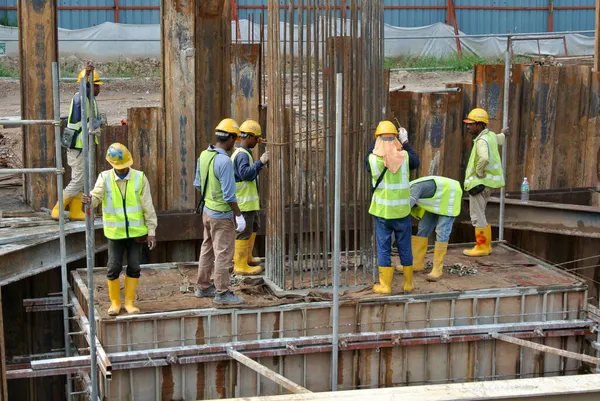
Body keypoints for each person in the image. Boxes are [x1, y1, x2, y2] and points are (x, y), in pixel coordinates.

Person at [82, 143, 157, 316]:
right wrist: (89, 201)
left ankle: (129, 303)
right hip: (115, 234)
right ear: (112, 164)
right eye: (119, 167)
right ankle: (115, 303)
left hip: (136, 233)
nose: (123, 170)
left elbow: (148, 206)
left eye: (125, 167)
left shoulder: (139, 178)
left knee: (134, 266)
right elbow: (96, 197)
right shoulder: (104, 178)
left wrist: (151, 231)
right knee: (113, 267)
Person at [194, 118, 246, 305]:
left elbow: (199, 184)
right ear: (231, 138)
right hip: (222, 217)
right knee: (223, 253)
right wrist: (238, 215)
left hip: (207, 212)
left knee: (207, 249)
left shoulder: (204, 155)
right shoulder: (224, 161)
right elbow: (229, 195)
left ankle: (203, 286)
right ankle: (222, 292)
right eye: (236, 138)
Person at [368, 120, 419, 294]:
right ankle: (408, 283)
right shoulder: (405, 158)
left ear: (377, 139)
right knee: (405, 246)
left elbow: (372, 151)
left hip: (383, 213)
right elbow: (416, 161)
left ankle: (386, 286)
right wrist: (404, 142)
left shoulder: (373, 159)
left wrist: (379, 137)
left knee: (384, 247)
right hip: (402, 212)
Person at [51, 63, 102, 221]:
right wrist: (87, 74)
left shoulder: (88, 99)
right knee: (79, 179)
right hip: (78, 148)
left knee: (81, 179)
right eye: (96, 85)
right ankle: (58, 208)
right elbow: (86, 122)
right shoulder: (81, 98)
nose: (100, 89)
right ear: (88, 85)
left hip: (82, 147)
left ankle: (74, 211)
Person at [462, 108, 506, 257]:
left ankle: (481, 247)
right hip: (488, 185)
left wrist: (479, 173)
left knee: (477, 215)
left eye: (471, 124)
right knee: (481, 214)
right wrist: (504, 133)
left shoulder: (481, 141)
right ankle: (486, 246)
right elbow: (500, 138)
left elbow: (484, 158)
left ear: (479, 125)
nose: (468, 126)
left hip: (479, 185)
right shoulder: (491, 136)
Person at [401, 176, 462, 282]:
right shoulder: (408, 189)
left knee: (442, 231)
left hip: (450, 195)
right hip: (437, 199)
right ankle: (416, 263)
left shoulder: (413, 190)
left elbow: (405, 209)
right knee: (423, 227)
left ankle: (437, 269)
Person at [231, 119, 269, 275]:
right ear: (249, 136)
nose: (257, 141)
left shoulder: (244, 152)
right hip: (243, 203)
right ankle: (240, 264)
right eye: (256, 138)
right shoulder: (241, 155)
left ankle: (247, 257)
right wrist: (260, 162)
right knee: (244, 232)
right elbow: (246, 174)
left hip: (249, 202)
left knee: (253, 228)